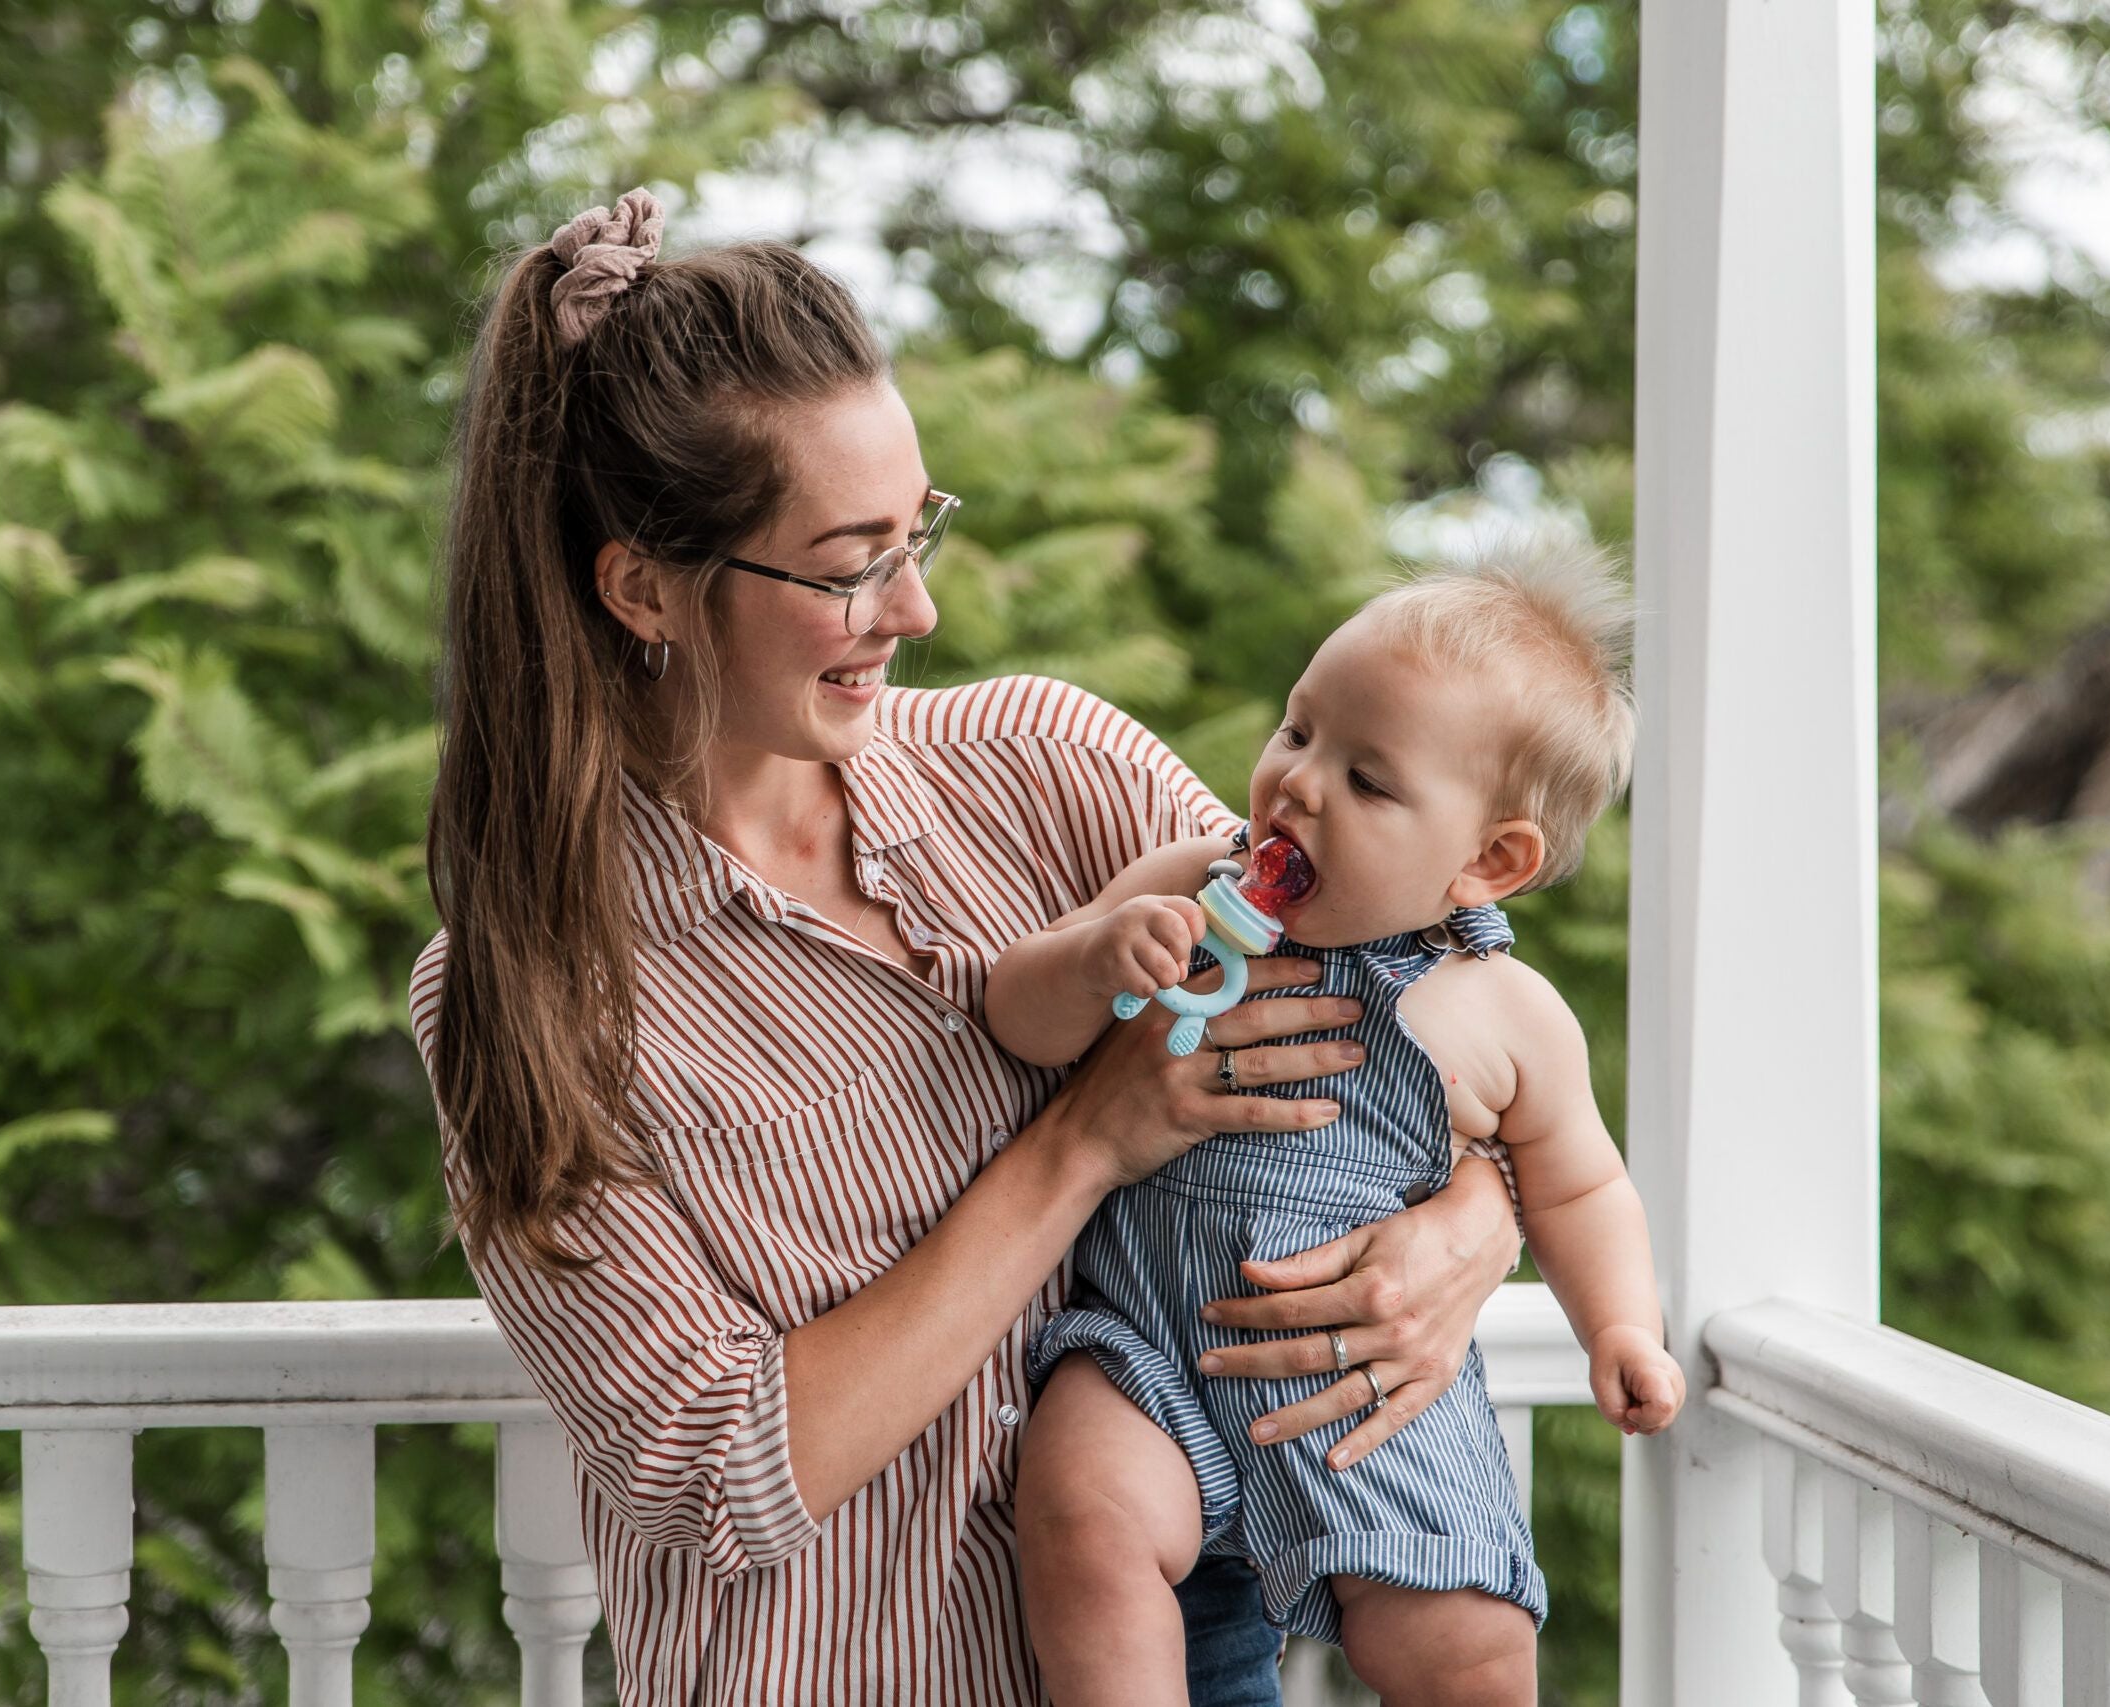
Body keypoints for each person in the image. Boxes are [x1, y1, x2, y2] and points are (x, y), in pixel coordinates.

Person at [408, 187, 1525, 1706]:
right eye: (847, 564)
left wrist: (1475, 1224)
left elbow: (1410, 1001)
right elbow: (711, 1468)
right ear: (644, 588)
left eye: (915, 531)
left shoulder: (1054, 765)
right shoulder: (524, 991)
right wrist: (1082, 1141)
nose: (917, 607)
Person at [991, 544, 1686, 1707]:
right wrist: (1092, 960)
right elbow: (1016, 1019)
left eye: (1367, 781)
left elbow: (1578, 1187)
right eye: (1297, 730)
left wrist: (1619, 1328)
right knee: (1080, 1524)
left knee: (1466, 1642)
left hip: (1366, 1395)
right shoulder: (1187, 883)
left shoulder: (1503, 1014)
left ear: (1488, 860)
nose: (1297, 786)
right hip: (1148, 1352)